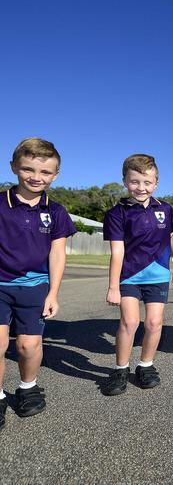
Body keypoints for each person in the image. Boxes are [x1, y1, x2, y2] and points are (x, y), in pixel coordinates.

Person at [0, 138, 76, 427]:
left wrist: (53, 293)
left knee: (27, 347)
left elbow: (57, 253)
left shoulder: (55, 211)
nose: (36, 177)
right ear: (14, 168)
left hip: (35, 287)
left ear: (55, 175)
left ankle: (28, 388)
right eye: (28, 169)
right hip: (0, 285)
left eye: (45, 172)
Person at [101, 154, 173, 396]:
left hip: (157, 275)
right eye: (135, 181)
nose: (141, 187)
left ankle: (145, 365)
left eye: (147, 182)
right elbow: (117, 252)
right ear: (125, 181)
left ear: (156, 183)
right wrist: (113, 286)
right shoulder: (117, 213)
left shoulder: (165, 209)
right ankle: (120, 369)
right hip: (129, 276)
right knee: (129, 323)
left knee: (154, 323)